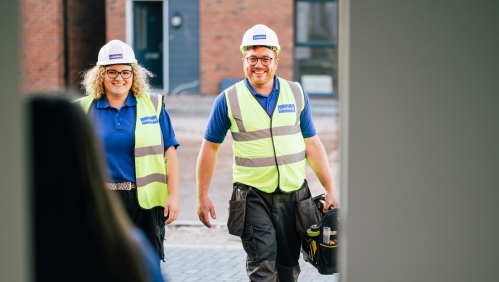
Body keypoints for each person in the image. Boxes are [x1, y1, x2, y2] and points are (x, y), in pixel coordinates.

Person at [196, 24, 339, 281]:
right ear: (243, 61)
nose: (258, 65)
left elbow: (312, 143)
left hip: (295, 197)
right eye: (252, 59)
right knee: (262, 267)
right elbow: (209, 148)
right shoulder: (228, 100)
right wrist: (202, 196)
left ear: (276, 60)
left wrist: (330, 187)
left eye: (265, 58)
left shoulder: (296, 93)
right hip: (252, 197)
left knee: (288, 268)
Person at [29, 95, 165, 281]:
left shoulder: (15, 246)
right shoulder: (129, 252)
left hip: (142, 197)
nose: (119, 77)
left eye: (126, 72)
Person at [78, 39, 180, 262]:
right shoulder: (82, 109)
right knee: (102, 264)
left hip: (145, 202)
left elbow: (169, 153)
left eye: (126, 72)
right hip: (100, 200)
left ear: (134, 74)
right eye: (112, 72)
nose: (119, 78)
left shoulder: (154, 105)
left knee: (145, 264)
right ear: (100, 75)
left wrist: (174, 196)